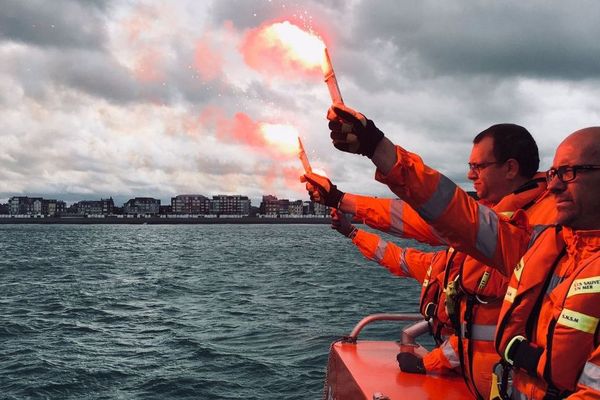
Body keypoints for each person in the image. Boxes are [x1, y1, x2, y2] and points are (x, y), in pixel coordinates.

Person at [309, 103, 600, 399]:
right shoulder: (545, 240)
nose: (556, 186)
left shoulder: (542, 228)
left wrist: (431, 361)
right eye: (554, 174)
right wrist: (352, 185)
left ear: (510, 168)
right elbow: (431, 215)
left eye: (570, 173)